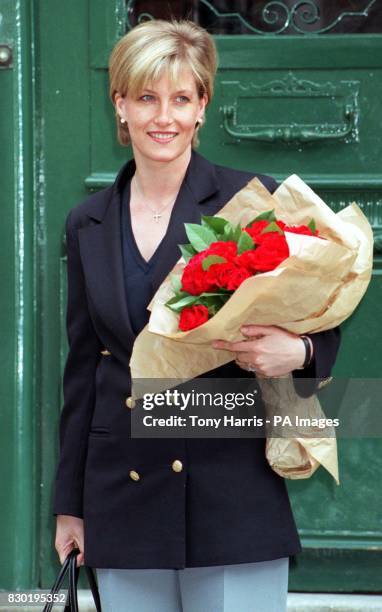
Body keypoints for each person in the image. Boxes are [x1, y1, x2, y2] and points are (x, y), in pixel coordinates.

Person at [53, 19, 341, 612]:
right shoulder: (87, 223)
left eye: (181, 98)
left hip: (231, 491)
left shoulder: (252, 201)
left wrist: (301, 352)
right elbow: (83, 370)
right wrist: (70, 505)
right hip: (122, 493)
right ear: (121, 105)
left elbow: (320, 319)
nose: (165, 117)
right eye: (147, 97)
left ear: (203, 105)